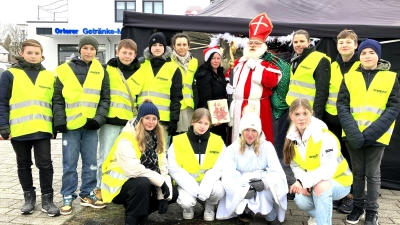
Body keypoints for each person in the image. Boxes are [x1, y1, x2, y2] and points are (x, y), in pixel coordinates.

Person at [337, 39, 400, 225]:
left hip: (377, 135)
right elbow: (342, 105)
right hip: (353, 134)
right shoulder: (349, 76)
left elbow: (393, 107)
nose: (367, 56)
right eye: (364, 53)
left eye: (372, 52)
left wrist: (371, 133)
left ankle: (372, 211)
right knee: (357, 173)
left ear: (378, 55)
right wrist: (354, 133)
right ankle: (357, 207)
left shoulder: (390, 78)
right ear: (360, 55)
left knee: (372, 174)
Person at [0, 39, 60, 216]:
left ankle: (47, 200)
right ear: (22, 53)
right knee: (23, 164)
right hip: (19, 129)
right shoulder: (9, 74)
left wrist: (55, 125)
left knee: (45, 164)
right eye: (30, 53)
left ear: (41, 55)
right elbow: (2, 101)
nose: (33, 56)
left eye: (36, 53)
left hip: (42, 128)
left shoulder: (50, 75)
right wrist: (3, 125)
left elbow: (54, 102)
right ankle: (29, 198)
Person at [53, 35, 110, 215]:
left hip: (91, 125)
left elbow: (105, 98)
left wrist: (99, 119)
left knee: (91, 162)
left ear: (96, 51)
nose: (89, 51)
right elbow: (57, 99)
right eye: (85, 48)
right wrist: (59, 121)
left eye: (92, 49)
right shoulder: (63, 70)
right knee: (69, 163)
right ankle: (68, 195)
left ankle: (87, 193)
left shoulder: (101, 70)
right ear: (79, 49)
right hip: (71, 126)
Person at [101, 99, 178, 225]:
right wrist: (161, 182)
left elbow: (162, 167)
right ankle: (132, 218)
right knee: (142, 183)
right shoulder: (126, 138)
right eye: (147, 118)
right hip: (119, 186)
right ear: (140, 118)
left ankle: (140, 214)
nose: (151, 122)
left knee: (172, 193)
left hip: (140, 184)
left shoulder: (157, 137)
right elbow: (133, 169)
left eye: (154, 118)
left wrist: (162, 196)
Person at [284, 98, 352, 225]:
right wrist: (303, 183)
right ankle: (319, 216)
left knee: (321, 188)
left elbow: (328, 169)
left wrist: (304, 181)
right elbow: (296, 165)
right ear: (291, 116)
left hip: (340, 181)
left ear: (311, 114)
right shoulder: (291, 138)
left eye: (305, 113)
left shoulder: (324, 136)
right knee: (300, 198)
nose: (301, 118)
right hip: (315, 181)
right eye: (297, 114)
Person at [216, 107, 287, 225]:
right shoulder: (233, 148)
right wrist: (240, 189)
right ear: (241, 131)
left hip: (260, 178)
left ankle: (268, 212)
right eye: (246, 130)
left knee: (265, 190)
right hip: (240, 179)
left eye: (254, 130)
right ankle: (244, 211)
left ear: (258, 131)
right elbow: (228, 173)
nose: (250, 134)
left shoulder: (267, 147)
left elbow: (277, 171)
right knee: (241, 191)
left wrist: (265, 182)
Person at [95, 39, 142, 200]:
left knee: (127, 157)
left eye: (130, 53)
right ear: (117, 52)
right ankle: (100, 188)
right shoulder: (107, 69)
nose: (127, 56)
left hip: (129, 123)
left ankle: (121, 189)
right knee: (105, 156)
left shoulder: (140, 72)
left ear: (135, 55)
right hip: (109, 121)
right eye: (124, 52)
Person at [225, 12, 281, 143]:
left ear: (263, 47)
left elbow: (272, 81)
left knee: (258, 140)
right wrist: (228, 86)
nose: (253, 45)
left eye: (257, 43)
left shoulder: (267, 65)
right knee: (237, 140)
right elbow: (228, 76)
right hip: (237, 106)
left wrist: (255, 66)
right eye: (251, 42)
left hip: (258, 107)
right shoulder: (238, 62)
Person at [168, 108, 226, 221]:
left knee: (219, 191)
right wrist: (192, 187)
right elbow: (173, 168)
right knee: (186, 202)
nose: (202, 126)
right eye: (199, 122)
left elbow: (220, 166)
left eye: (206, 123)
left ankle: (209, 206)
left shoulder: (218, 141)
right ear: (192, 122)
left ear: (210, 125)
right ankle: (188, 208)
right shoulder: (178, 141)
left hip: (210, 183)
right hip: (186, 183)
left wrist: (207, 184)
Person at [326, 29, 360, 214]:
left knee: (352, 158)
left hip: (353, 120)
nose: (344, 45)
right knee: (335, 157)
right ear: (337, 46)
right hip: (331, 119)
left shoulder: (362, 65)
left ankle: (351, 196)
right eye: (341, 42)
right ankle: (338, 192)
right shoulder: (332, 66)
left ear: (355, 45)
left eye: (348, 42)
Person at [132, 32, 183, 146]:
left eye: (161, 45)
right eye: (154, 45)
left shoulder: (174, 68)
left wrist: (174, 120)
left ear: (165, 47)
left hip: (163, 121)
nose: (157, 48)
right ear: (150, 48)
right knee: (140, 151)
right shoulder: (140, 65)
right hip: (142, 119)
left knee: (161, 153)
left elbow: (176, 97)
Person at [286, 29, 331, 121]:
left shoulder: (320, 59)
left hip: (308, 111)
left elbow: (322, 92)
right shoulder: (294, 59)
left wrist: (315, 117)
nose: (298, 44)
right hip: (293, 109)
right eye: (295, 42)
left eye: (302, 41)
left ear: (309, 42)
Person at [195, 46, 228, 141]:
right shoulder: (204, 74)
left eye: (218, 58)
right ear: (208, 59)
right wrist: (214, 117)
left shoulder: (220, 73)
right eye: (213, 58)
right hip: (210, 116)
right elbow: (205, 98)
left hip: (221, 115)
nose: (216, 61)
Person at [170, 33, 198, 134]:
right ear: (174, 46)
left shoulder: (194, 62)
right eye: (179, 44)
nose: (182, 47)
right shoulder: (169, 61)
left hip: (190, 106)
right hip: (175, 105)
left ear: (188, 46)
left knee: (189, 135)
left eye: (184, 44)